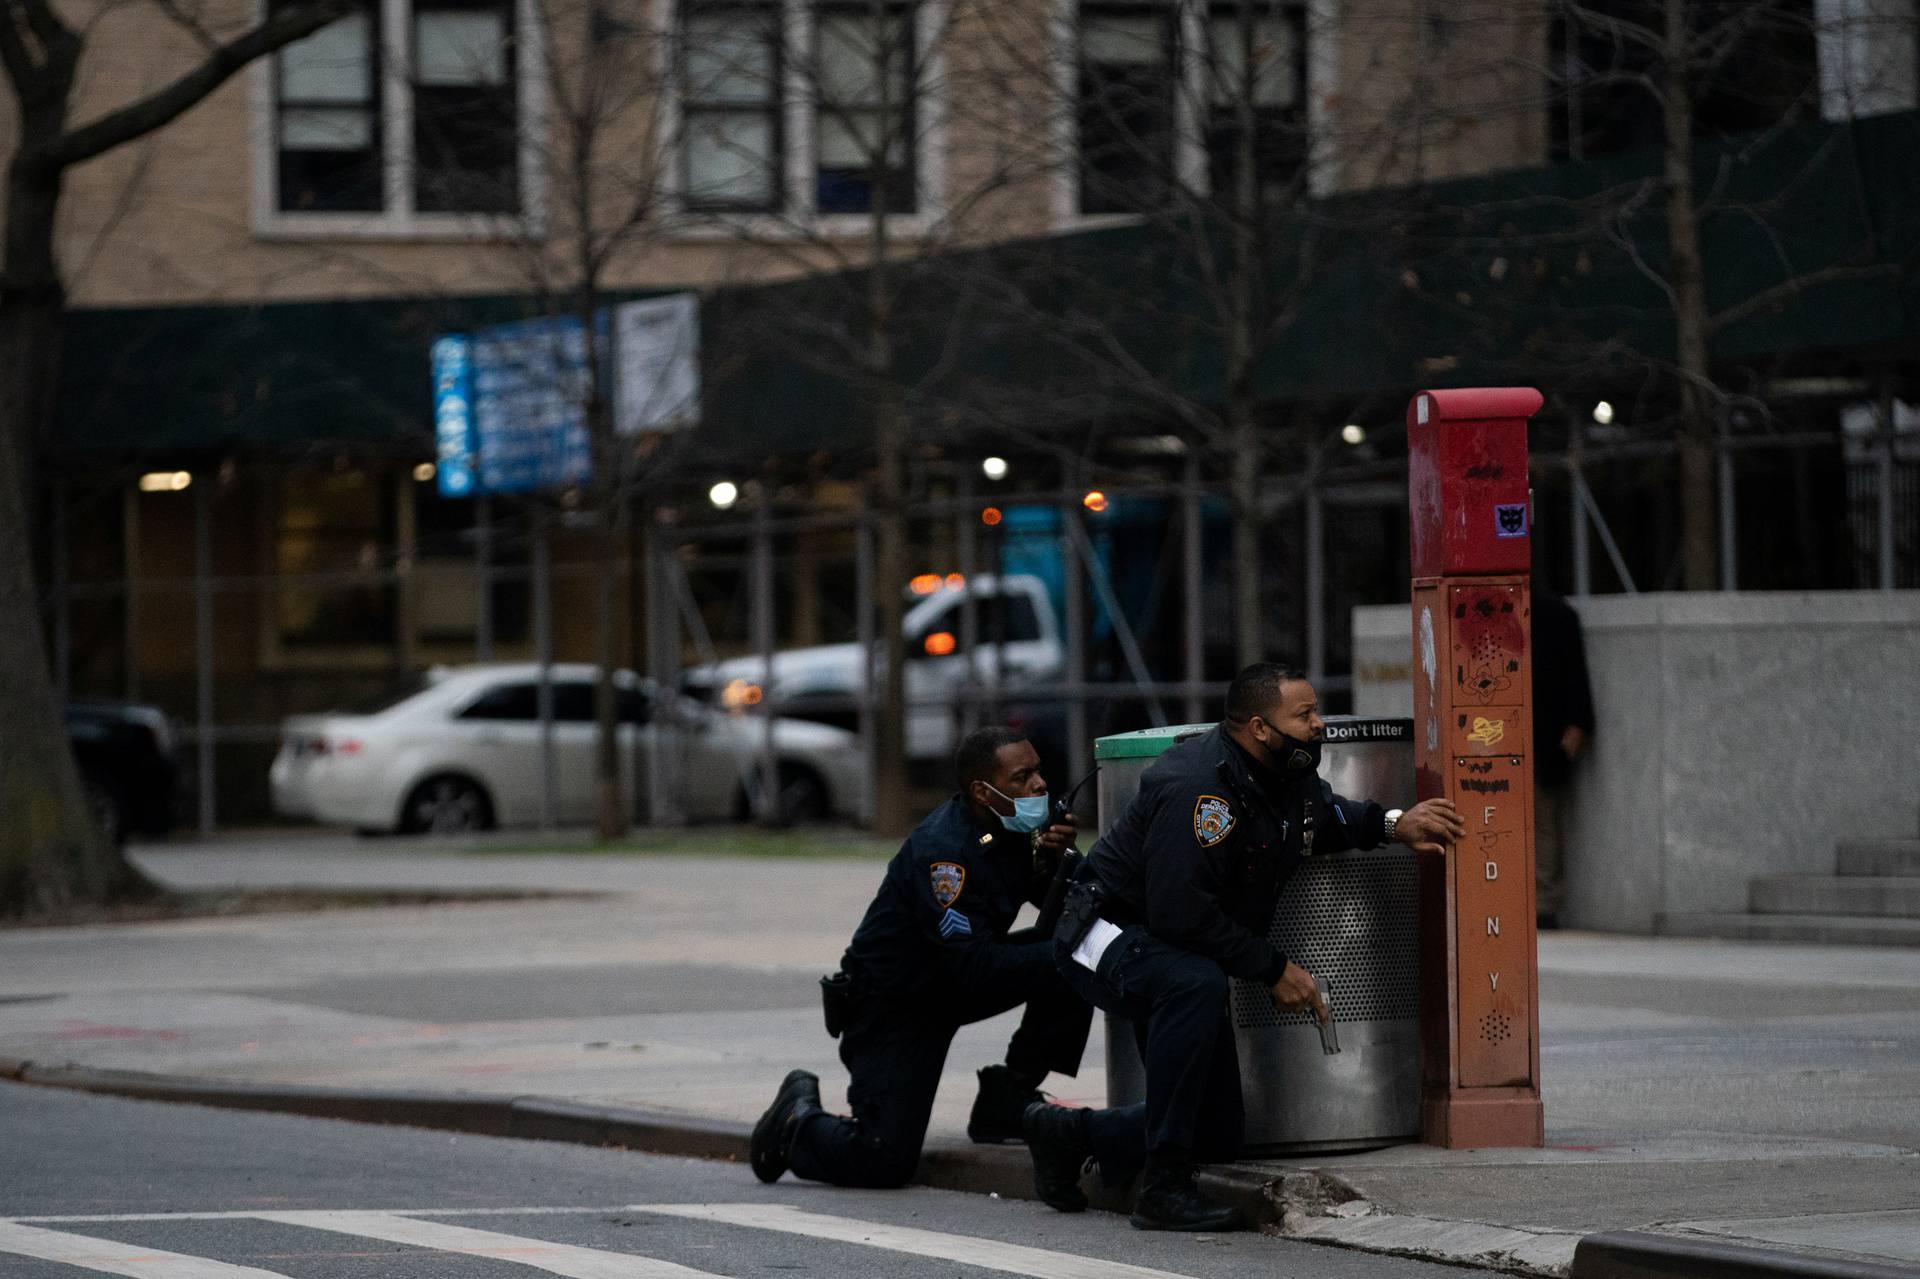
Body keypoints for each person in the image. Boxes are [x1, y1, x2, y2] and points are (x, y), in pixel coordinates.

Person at [1023, 663, 1464, 1231]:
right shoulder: (1200, 789)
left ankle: (1065, 1134)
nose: (1319, 725)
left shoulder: (1282, 772)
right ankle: (1163, 1187)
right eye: (1304, 716)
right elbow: (1181, 913)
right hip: (1100, 932)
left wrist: (1391, 824)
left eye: (1316, 711)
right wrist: (1275, 968)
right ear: (1259, 726)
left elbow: (1318, 819)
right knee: (1194, 982)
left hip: (1163, 939)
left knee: (1218, 1133)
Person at [748, 725, 1094, 1190]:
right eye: (1022, 777)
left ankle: (1005, 1101)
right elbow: (976, 967)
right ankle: (798, 1122)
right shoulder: (944, 853)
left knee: (1082, 949)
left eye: (1038, 772)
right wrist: (1059, 951)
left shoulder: (1014, 823)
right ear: (982, 790)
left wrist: (1060, 859)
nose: (1039, 785)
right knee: (882, 1160)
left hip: (951, 980)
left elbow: (1061, 904)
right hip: (895, 1005)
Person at [1531, 591, 1595, 929]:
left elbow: (1573, 676)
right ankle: (1536, 899)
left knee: (1543, 819)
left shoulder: (1554, 616)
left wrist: (1575, 727)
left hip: (1543, 736)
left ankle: (1544, 902)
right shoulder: (1551, 615)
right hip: (1508, 735)